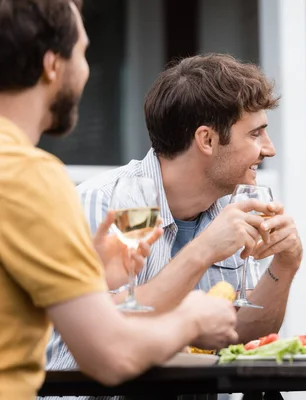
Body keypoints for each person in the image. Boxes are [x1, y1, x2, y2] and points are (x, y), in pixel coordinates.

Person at [0, 1, 240, 399]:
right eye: (83, 52)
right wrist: (192, 318)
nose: (88, 70)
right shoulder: (29, 176)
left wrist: (91, 275)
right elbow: (111, 356)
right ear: (51, 65)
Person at [44, 53, 303, 389]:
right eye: (256, 134)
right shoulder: (115, 204)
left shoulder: (233, 207)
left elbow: (242, 335)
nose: (269, 150)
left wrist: (285, 264)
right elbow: (110, 333)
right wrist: (205, 249)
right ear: (207, 140)